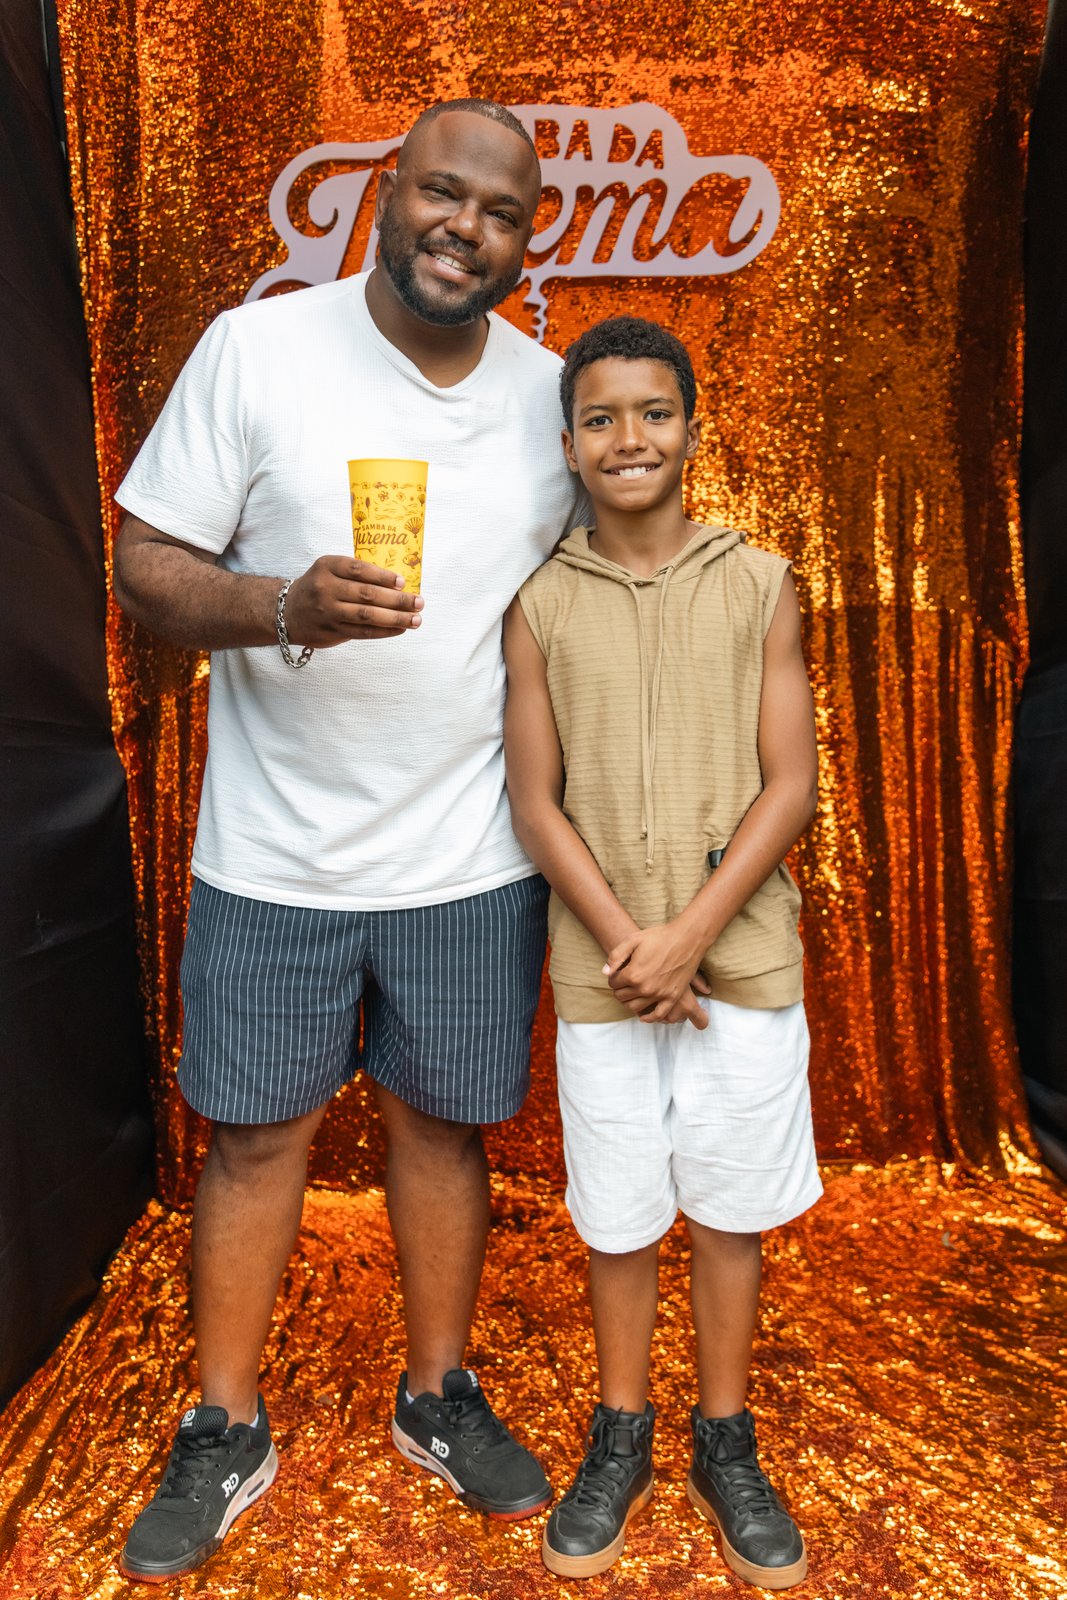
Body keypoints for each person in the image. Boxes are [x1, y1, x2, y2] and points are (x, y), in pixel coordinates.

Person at [111, 99, 584, 1583]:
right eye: (442, 193)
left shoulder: (551, 395)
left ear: (526, 241)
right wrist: (280, 607)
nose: (463, 229)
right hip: (275, 858)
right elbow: (143, 563)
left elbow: (598, 600)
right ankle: (224, 1422)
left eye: (498, 214)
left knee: (443, 1129)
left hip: (471, 856)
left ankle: (435, 1394)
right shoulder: (258, 351)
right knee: (255, 1139)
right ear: (386, 191)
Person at [502, 316, 822, 1590]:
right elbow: (535, 804)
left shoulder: (760, 581)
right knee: (621, 1209)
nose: (626, 438)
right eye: (598, 418)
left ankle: (722, 1437)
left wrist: (688, 937)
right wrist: (629, 944)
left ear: (690, 426)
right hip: (603, 971)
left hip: (737, 959)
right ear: (568, 445)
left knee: (728, 1208)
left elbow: (789, 784)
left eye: (651, 412)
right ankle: (622, 1428)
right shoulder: (539, 604)